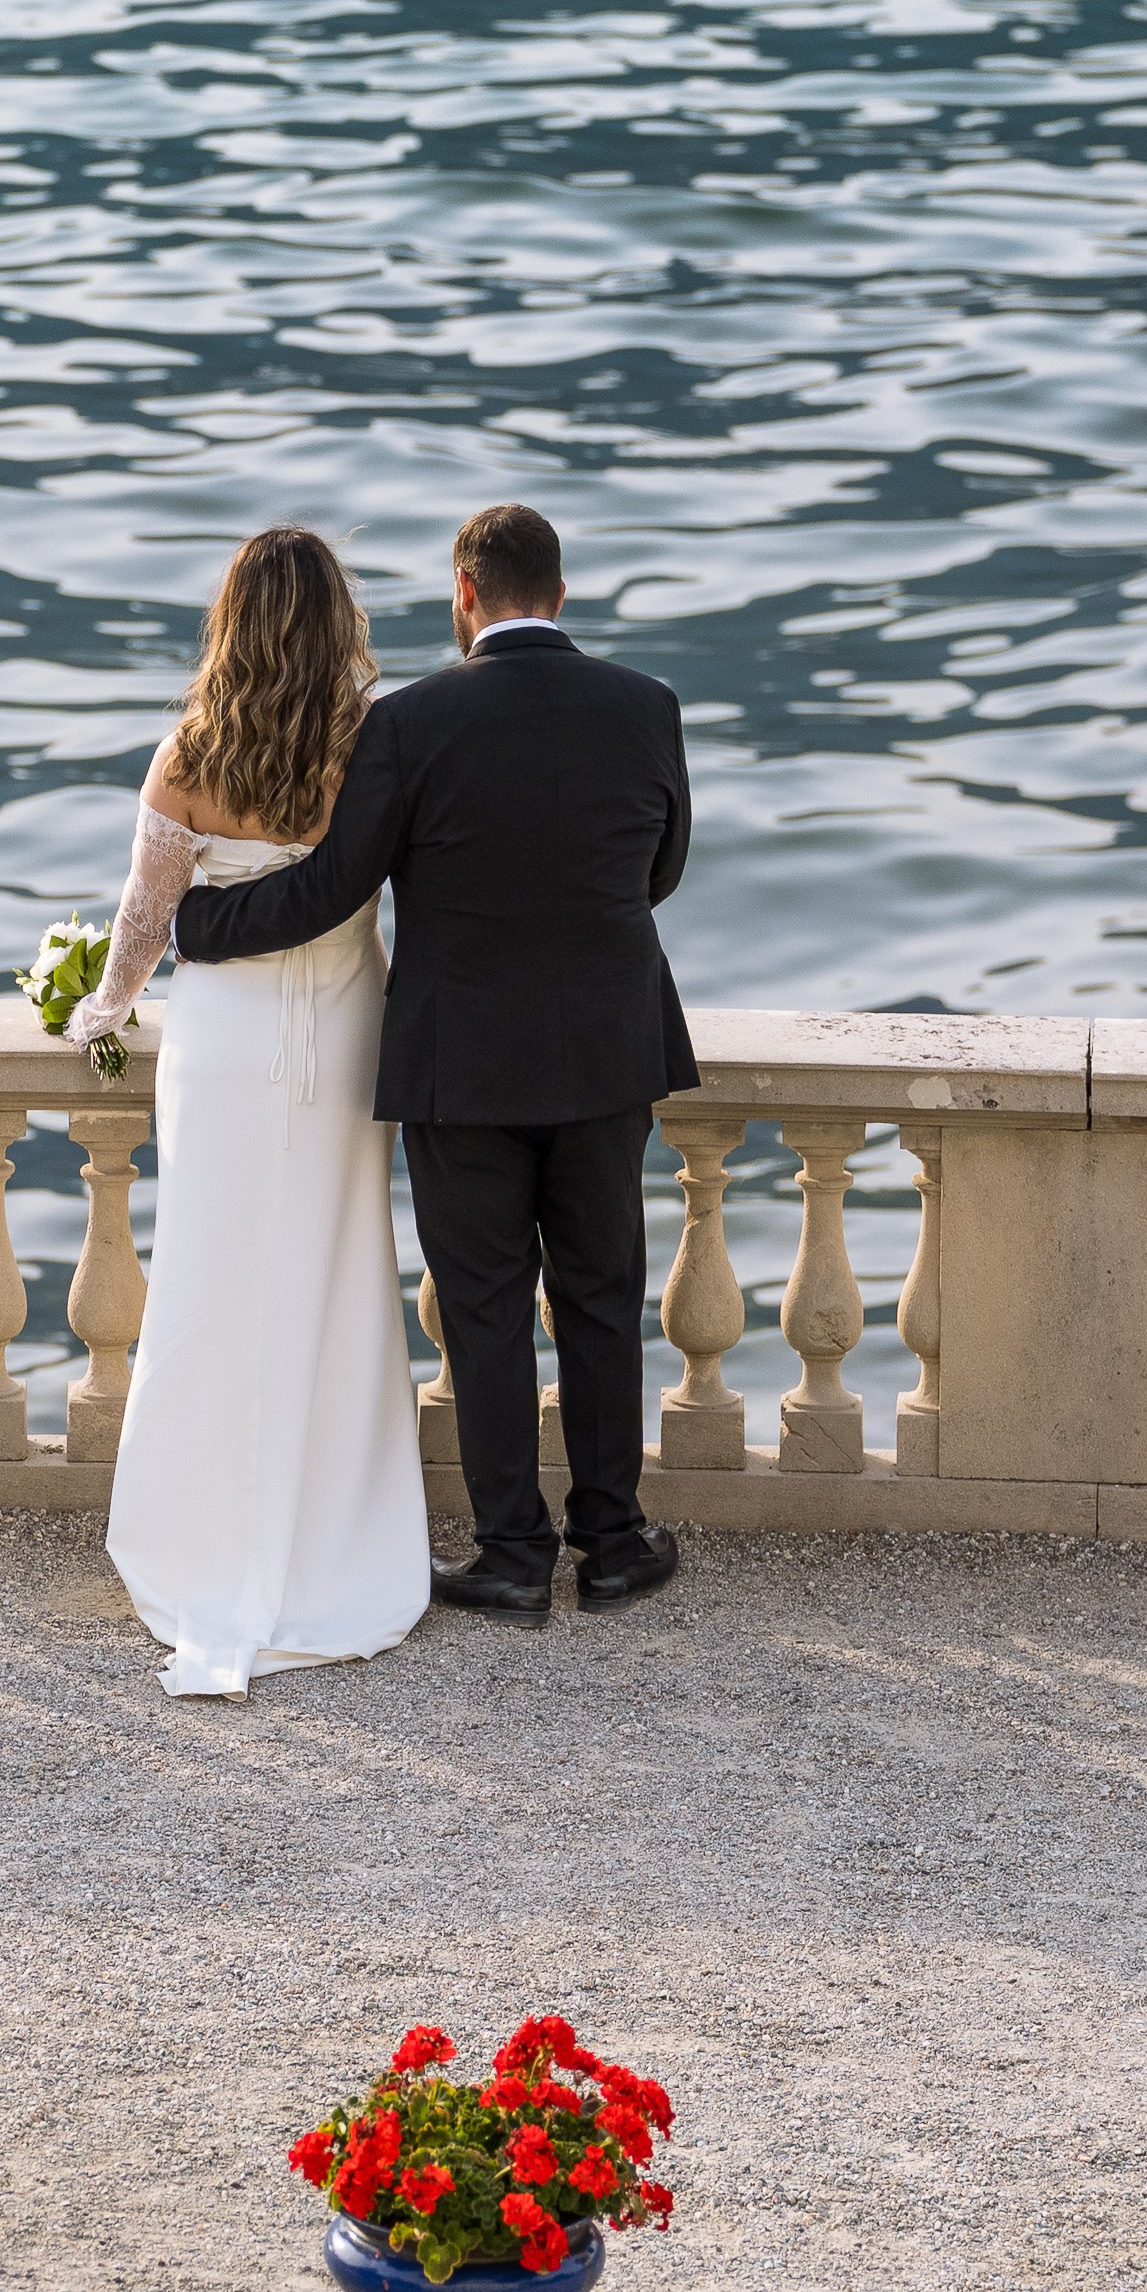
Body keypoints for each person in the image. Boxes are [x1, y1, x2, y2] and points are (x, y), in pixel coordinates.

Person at [169, 501, 693, 1623]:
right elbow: (660, 870)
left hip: (463, 1065)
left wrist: (201, 926)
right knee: (601, 1296)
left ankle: (512, 1555)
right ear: (560, 592)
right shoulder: (646, 706)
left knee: (485, 1304)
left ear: (465, 594)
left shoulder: (410, 722)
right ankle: (613, 1545)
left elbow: (334, 886)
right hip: (608, 1050)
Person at [62, 527, 430, 1697]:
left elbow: (143, 920)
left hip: (221, 1046)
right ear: (336, 620)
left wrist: (98, 1009)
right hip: (341, 1033)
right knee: (333, 1268)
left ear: (230, 621)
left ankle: (200, 1536)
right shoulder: (368, 742)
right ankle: (335, 1532)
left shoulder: (190, 752)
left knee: (211, 1275)